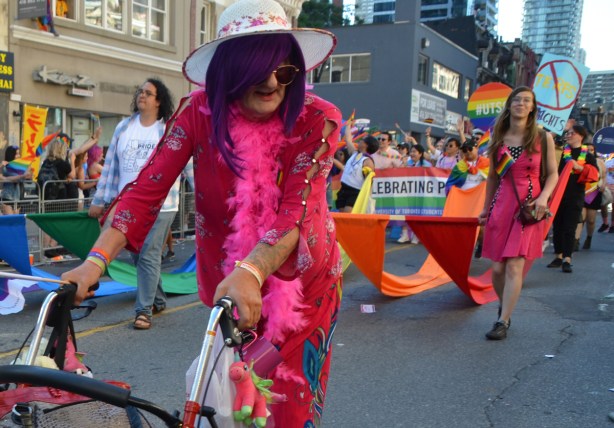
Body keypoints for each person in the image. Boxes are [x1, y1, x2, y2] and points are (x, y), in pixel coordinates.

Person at [63, 0, 341, 424]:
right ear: (230, 72)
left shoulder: (317, 120)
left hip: (303, 294)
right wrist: (96, 260)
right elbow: (145, 191)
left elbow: (295, 212)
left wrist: (252, 271)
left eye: (284, 72)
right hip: (230, 292)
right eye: (256, 71)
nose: (272, 83)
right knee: (232, 406)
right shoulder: (198, 112)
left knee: (287, 411)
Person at [87, 77, 192, 330]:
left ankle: (143, 310)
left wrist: (203, 199)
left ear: (159, 100)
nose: (141, 96)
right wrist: (100, 200)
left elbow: (187, 166)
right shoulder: (124, 127)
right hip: (127, 204)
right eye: (140, 92)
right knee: (136, 254)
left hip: (163, 204)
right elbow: (111, 167)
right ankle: (157, 298)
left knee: (148, 254)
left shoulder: (168, 128)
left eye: (148, 92)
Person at [478, 86, 558, 340]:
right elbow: (492, 177)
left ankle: (502, 321)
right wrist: (485, 208)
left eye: (527, 100)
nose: (521, 103)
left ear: (533, 107)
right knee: (498, 270)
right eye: (517, 99)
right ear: (510, 105)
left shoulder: (542, 138)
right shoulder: (499, 138)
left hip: (529, 207)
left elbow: (553, 174)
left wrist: (544, 197)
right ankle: (506, 307)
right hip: (502, 206)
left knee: (514, 266)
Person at [547, 125, 597, 273]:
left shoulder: (587, 155)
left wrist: (580, 168)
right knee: (557, 226)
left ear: (580, 136)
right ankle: (558, 255)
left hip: (575, 196)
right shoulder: (560, 152)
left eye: (572, 133)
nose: (568, 135)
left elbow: (595, 175)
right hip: (558, 195)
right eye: (567, 132)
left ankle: (567, 259)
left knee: (570, 227)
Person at [336, 120, 377, 212]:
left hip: (355, 191)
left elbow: (369, 182)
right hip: (343, 188)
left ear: (366, 145)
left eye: (362, 140)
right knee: (341, 216)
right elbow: (348, 139)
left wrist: (366, 197)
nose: (359, 141)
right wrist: (348, 125)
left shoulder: (368, 161)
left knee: (348, 217)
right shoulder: (354, 153)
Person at [576, 142, 606, 250]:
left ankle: (589, 237)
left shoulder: (599, 162)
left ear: (594, 151)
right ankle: (576, 240)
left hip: (594, 193)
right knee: (581, 218)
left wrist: (602, 184)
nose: (589, 151)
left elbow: (603, 176)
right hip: (582, 192)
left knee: (591, 220)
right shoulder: (579, 161)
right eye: (587, 149)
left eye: (591, 150)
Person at [1, 146, 32, 214]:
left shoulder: (20, 167)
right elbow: (15, 177)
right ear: (11, 155)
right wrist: (24, 174)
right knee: (10, 221)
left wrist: (28, 173)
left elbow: (28, 180)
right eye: (16, 154)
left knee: (16, 222)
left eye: (19, 153)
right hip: (8, 197)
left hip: (18, 197)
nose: (19, 156)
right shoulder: (7, 167)